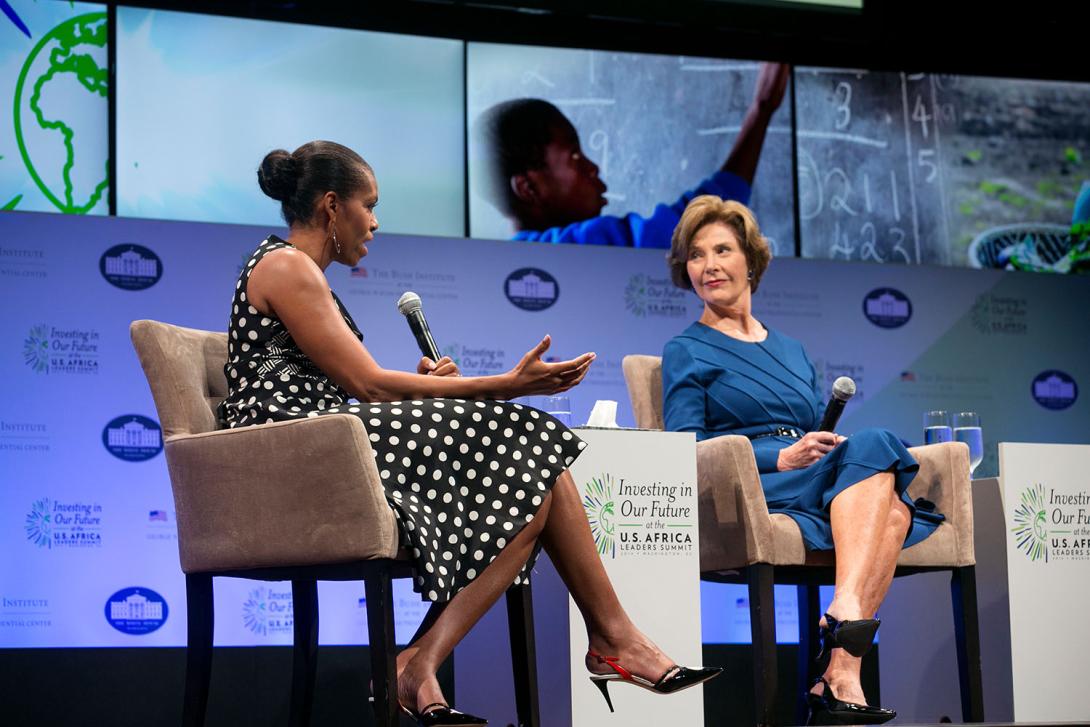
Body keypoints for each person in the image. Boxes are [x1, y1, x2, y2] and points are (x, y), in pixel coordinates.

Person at [219, 140, 720, 726]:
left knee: (532, 476)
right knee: (525, 442)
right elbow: (371, 386)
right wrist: (504, 384)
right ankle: (609, 638)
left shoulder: (304, 274)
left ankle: (427, 660)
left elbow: (358, 387)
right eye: (369, 205)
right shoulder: (286, 266)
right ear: (332, 207)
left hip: (329, 442)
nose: (376, 223)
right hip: (292, 459)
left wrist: (430, 387)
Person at [660, 196, 945, 725]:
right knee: (885, 467)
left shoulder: (791, 349)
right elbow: (685, 446)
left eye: (723, 250)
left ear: (751, 260)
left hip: (811, 477)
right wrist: (781, 456)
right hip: (751, 484)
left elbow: (817, 427)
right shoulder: (687, 349)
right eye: (696, 256)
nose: (709, 265)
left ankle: (838, 676)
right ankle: (845, 634)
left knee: (891, 502)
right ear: (686, 270)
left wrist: (818, 447)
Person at [473, 62, 790, 248]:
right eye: (574, 157)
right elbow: (693, 222)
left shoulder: (499, 265)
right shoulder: (576, 248)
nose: (593, 168)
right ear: (529, 188)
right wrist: (760, 110)